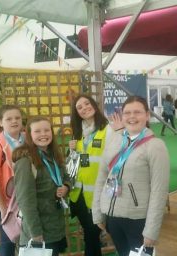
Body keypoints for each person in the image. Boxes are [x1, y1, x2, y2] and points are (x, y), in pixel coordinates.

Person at [92, 96, 170, 256]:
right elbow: (101, 178)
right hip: (112, 217)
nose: (132, 117)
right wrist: (98, 212)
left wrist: (151, 230)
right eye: (127, 112)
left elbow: (159, 190)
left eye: (137, 112)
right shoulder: (114, 140)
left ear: (147, 115)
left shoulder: (155, 146)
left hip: (137, 219)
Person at [68, 94, 124, 256]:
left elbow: (119, 160)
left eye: (87, 103)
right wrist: (71, 151)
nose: (84, 108)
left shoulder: (108, 129)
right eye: (79, 107)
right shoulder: (78, 133)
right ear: (76, 112)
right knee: (90, 237)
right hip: (79, 195)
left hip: (100, 195)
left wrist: (120, 132)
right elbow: (74, 165)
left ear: (94, 105)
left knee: (97, 235)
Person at [12, 116, 70, 256]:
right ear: (29, 135)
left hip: (55, 226)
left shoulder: (53, 154)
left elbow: (66, 177)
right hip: (38, 230)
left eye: (46, 130)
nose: (43, 134)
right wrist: (36, 233)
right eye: (37, 131)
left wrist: (66, 187)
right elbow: (25, 201)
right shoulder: (25, 161)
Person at [0, 105, 25, 256]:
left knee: (27, 239)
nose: (14, 121)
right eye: (9, 119)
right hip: (6, 204)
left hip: (25, 199)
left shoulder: (27, 139)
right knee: (8, 242)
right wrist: (3, 210)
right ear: (0, 122)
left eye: (17, 118)